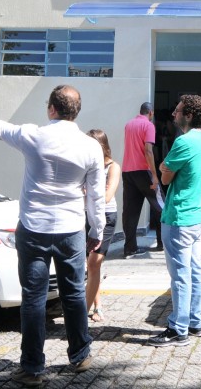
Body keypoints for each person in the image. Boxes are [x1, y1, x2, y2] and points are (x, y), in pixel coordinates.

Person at [0, 84, 104, 388]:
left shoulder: (34, 135)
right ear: (77, 111)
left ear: (51, 109)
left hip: (34, 228)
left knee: (33, 298)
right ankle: (80, 354)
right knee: (73, 294)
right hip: (71, 230)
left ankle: (33, 367)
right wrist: (96, 230)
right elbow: (95, 196)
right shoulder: (91, 147)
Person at [147, 94, 201, 347]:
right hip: (197, 217)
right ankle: (194, 322)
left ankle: (178, 328)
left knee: (181, 275)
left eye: (177, 111)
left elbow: (164, 177)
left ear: (188, 115)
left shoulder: (184, 142)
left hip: (179, 218)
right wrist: (165, 168)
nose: (173, 114)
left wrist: (164, 168)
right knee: (195, 271)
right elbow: (166, 170)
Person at [85, 128, 121, 323]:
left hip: (106, 216)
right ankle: (96, 305)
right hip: (86, 215)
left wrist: (86, 192)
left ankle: (82, 313)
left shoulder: (112, 166)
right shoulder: (87, 164)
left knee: (93, 262)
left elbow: (107, 197)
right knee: (90, 266)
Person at [121, 102, 163, 257]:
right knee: (160, 206)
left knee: (130, 211)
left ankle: (130, 247)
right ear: (151, 113)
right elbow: (148, 151)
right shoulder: (148, 126)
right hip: (143, 171)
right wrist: (154, 174)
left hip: (127, 171)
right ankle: (162, 243)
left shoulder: (129, 124)